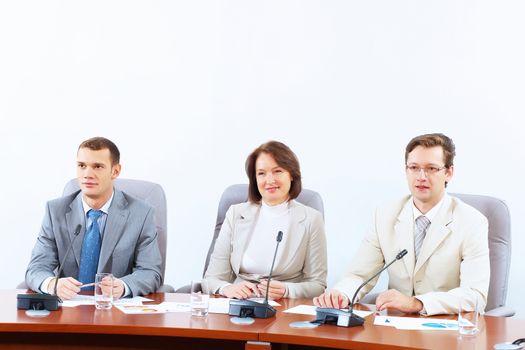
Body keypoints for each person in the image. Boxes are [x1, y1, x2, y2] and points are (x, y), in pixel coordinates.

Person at [314, 133, 489, 315]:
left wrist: (417, 303)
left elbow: (475, 295)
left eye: (431, 168)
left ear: (448, 173)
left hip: (446, 327)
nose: (421, 176)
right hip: (395, 325)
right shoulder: (384, 214)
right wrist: (342, 293)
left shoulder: (472, 222)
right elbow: (359, 275)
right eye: (414, 167)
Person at [25, 137, 162, 300]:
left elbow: (150, 272)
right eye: (82, 166)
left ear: (115, 171)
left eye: (97, 166)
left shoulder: (141, 214)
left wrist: (124, 286)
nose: (87, 174)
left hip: (114, 311)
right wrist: (51, 284)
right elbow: (36, 268)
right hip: (67, 312)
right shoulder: (56, 211)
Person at [203, 141, 327, 300]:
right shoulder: (236, 214)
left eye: (277, 171)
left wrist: (287, 290)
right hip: (238, 305)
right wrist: (227, 288)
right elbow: (211, 279)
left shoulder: (311, 219)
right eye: (261, 173)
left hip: (284, 308)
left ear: (292, 175)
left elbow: (317, 284)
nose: (269, 180)